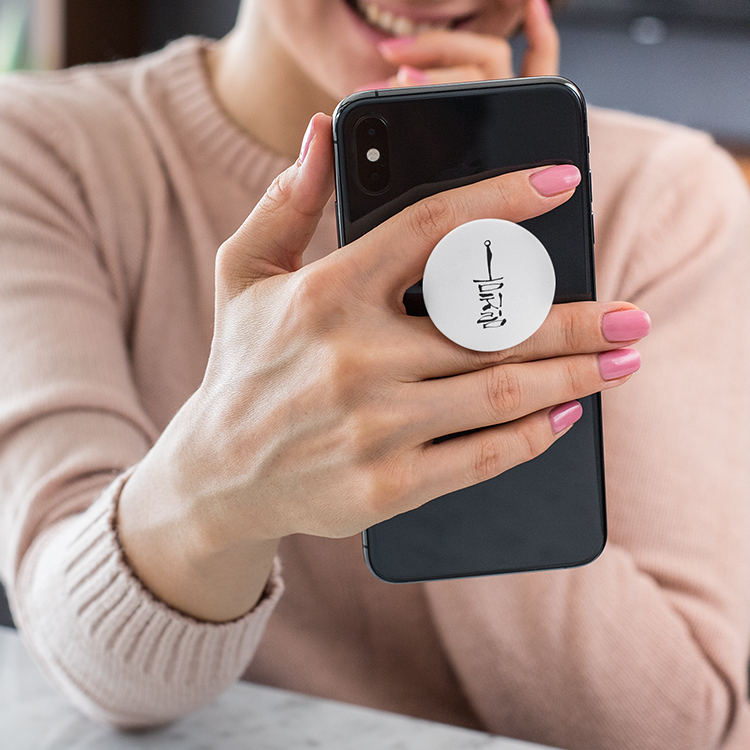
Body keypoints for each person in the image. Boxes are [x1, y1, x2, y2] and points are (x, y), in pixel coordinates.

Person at [0, 0, 749, 747]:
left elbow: (672, 729)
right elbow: (95, 661)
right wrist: (216, 482)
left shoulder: (665, 201)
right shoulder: (46, 150)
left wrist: (483, 320)